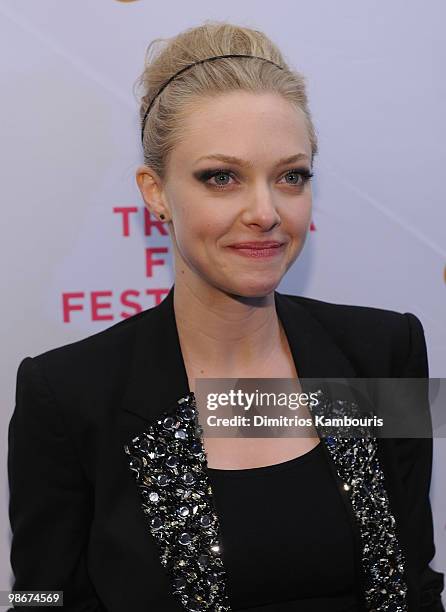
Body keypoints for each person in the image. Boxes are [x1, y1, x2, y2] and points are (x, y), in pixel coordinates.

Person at [7, 19, 444, 612]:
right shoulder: (69, 397)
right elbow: (40, 598)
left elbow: (415, 576)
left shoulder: (385, 351)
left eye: (291, 176)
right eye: (222, 178)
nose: (265, 212)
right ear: (155, 191)